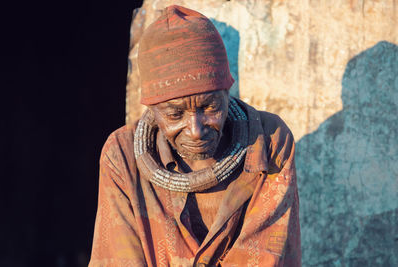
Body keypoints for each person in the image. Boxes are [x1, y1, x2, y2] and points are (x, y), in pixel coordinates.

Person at [89, 5, 300, 267]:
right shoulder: (122, 155)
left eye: (210, 107)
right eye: (175, 114)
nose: (196, 130)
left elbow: (265, 257)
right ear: (152, 108)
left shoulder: (268, 141)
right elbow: (117, 259)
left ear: (227, 91)